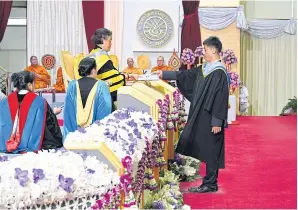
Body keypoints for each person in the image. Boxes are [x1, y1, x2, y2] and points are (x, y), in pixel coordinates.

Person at [155, 36, 230, 193]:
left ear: (214, 50)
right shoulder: (205, 68)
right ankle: (208, 182)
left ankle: (210, 184)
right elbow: (185, 75)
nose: (203, 52)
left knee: (212, 149)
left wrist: (217, 121)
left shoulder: (220, 72)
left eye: (205, 49)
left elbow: (221, 98)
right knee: (205, 147)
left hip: (212, 118)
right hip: (202, 115)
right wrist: (164, 74)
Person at [0, 71, 63, 153]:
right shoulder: (39, 102)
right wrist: (53, 114)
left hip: (5, 143)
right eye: (34, 83)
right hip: (31, 144)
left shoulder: (4, 102)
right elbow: (49, 124)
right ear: (29, 85)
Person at [89, 28, 138, 110]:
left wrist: (128, 75)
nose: (111, 43)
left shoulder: (93, 53)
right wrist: (124, 77)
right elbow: (113, 80)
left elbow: (112, 74)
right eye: (110, 40)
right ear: (103, 40)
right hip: (103, 97)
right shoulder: (102, 57)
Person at [63, 57, 112, 140]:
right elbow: (105, 110)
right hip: (94, 136)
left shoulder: (72, 85)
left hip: (75, 134)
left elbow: (68, 111)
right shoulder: (101, 85)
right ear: (93, 70)